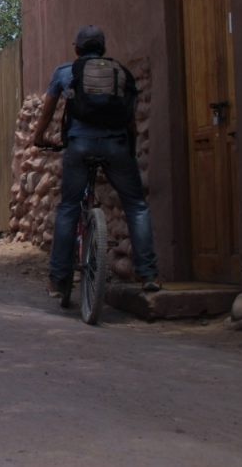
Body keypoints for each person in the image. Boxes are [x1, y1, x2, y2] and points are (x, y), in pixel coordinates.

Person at [31, 25, 161, 300]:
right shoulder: (120, 73)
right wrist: (131, 151)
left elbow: (48, 111)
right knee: (136, 206)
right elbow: (130, 120)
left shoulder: (65, 72)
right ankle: (148, 275)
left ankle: (59, 280)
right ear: (103, 49)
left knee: (68, 208)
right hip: (116, 146)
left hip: (79, 146)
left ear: (76, 50)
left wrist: (39, 137)